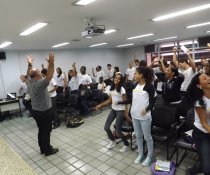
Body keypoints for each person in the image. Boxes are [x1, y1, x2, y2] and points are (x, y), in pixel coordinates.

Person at [27, 53, 59, 156]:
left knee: (41, 130)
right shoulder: (39, 83)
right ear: (37, 76)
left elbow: (29, 73)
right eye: (39, 73)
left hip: (35, 111)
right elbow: (49, 76)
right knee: (46, 131)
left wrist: (30, 64)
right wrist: (51, 63)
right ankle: (48, 150)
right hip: (44, 112)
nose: (41, 73)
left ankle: (42, 149)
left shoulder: (29, 82)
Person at [95, 73, 131, 152]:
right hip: (113, 110)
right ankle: (113, 140)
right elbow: (109, 100)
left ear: (121, 80)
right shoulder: (112, 88)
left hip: (121, 111)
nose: (116, 79)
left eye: (118, 78)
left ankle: (126, 144)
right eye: (115, 78)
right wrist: (100, 105)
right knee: (106, 127)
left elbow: (125, 102)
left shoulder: (122, 89)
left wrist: (126, 114)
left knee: (118, 130)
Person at [130, 67, 156, 166]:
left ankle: (150, 156)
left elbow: (153, 102)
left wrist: (146, 109)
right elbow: (133, 100)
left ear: (141, 75)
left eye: (135, 73)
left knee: (147, 137)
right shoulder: (135, 85)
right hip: (134, 115)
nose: (134, 75)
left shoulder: (150, 87)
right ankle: (141, 154)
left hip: (145, 117)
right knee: (138, 136)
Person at [185, 73, 210, 175]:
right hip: (202, 133)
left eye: (208, 76)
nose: (209, 78)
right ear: (199, 85)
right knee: (207, 169)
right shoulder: (199, 101)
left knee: (206, 160)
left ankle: (195, 169)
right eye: (205, 78)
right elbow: (204, 123)